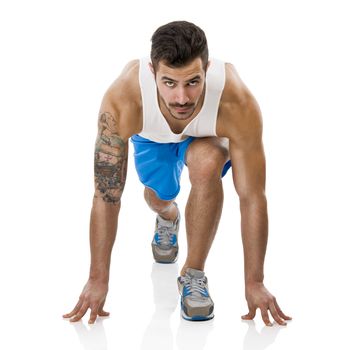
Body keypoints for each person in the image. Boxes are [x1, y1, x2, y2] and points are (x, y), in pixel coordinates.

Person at [63, 21, 292, 324]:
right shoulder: (123, 102)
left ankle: (193, 275)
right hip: (152, 137)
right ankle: (168, 215)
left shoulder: (236, 103)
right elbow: (106, 196)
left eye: (193, 82)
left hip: (205, 137)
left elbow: (252, 197)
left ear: (207, 70)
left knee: (208, 161)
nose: (182, 97)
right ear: (152, 72)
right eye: (169, 83)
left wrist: (255, 282)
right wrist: (97, 279)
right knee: (160, 196)